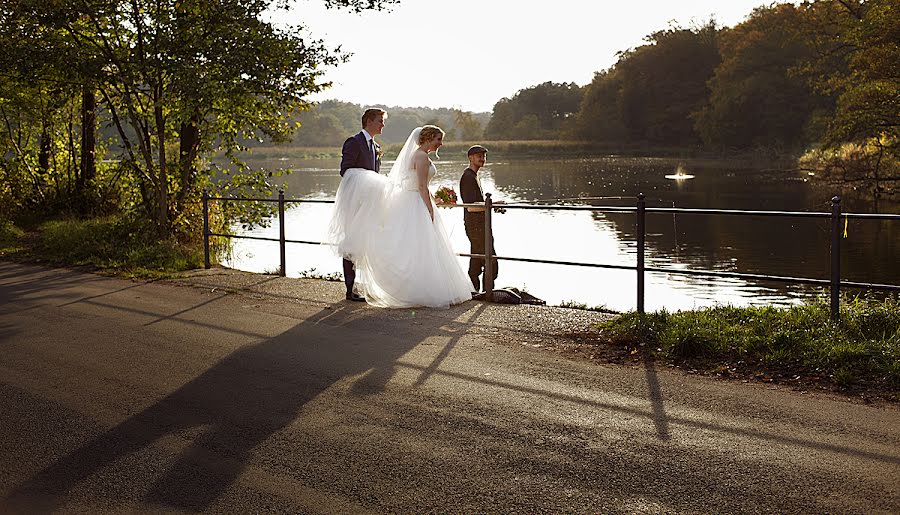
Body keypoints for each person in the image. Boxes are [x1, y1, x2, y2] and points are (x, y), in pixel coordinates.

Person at [328, 125, 474, 308]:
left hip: (417, 199)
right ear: (428, 138)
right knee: (420, 246)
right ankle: (418, 290)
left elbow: (420, 185)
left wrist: (434, 200)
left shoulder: (420, 156)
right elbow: (421, 186)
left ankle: (424, 286)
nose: (441, 143)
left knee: (421, 246)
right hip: (416, 203)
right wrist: (429, 208)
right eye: (438, 139)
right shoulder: (421, 156)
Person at [338, 108, 386, 301]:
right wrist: (368, 182)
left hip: (370, 203)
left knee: (368, 243)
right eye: (380, 121)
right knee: (352, 244)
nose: (383, 125)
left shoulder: (375, 146)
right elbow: (346, 171)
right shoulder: (354, 142)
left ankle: (370, 287)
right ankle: (350, 290)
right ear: (369, 121)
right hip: (355, 202)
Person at [459, 145, 501, 292]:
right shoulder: (468, 177)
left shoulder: (475, 176)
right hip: (475, 226)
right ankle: (486, 293)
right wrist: (492, 204)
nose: (482, 159)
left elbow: (478, 204)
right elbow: (470, 207)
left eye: (484, 156)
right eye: (479, 156)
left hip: (480, 225)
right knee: (491, 261)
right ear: (470, 158)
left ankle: (474, 292)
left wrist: (492, 207)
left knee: (476, 261)